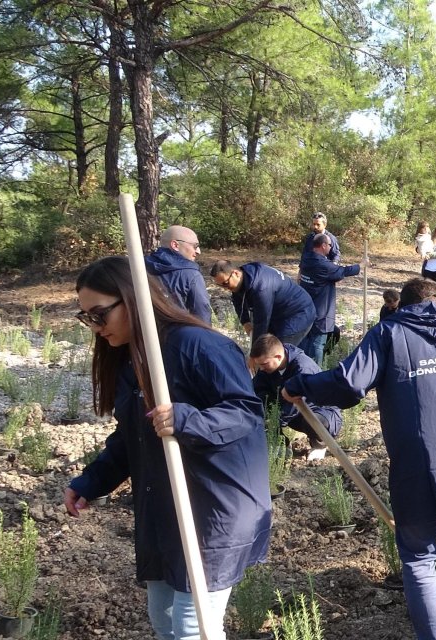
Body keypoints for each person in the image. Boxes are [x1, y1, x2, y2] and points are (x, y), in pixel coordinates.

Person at [282, 277, 436, 640]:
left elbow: (348, 384)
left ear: (402, 305)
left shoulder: (388, 333)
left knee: (419, 559)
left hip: (418, 461)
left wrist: (301, 385)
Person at [64, 256, 271, 640]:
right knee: (163, 620)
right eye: (86, 318)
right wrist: (90, 481)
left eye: (99, 315)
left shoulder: (199, 346)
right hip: (165, 509)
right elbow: (132, 437)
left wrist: (187, 419)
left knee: (193, 628)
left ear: (132, 298)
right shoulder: (129, 358)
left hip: (214, 508)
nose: (94, 328)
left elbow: (244, 413)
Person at [249, 334, 341, 460]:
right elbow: (257, 389)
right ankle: (279, 445)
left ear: (278, 357)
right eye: (259, 365)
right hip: (291, 411)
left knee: (313, 421)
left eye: (264, 364)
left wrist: (274, 422)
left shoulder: (302, 367)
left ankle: (320, 445)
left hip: (320, 412)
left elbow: (296, 403)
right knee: (260, 407)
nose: (261, 368)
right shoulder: (268, 367)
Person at [209, 260, 315, 347]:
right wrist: (245, 322)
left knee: (278, 352)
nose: (225, 288)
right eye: (220, 286)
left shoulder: (261, 287)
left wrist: (254, 355)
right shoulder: (242, 277)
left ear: (235, 273)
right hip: (278, 312)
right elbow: (237, 299)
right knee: (266, 348)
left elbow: (261, 322)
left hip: (298, 313)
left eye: (225, 283)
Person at [298, 233, 364, 365]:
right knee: (318, 344)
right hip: (320, 312)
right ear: (323, 246)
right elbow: (342, 271)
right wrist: (361, 265)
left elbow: (335, 274)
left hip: (305, 309)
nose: (331, 247)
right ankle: (314, 371)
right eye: (329, 245)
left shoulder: (307, 259)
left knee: (306, 341)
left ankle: (301, 367)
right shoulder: (322, 264)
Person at [145, 225, 210, 324]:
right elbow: (202, 313)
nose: (198, 251)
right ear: (175, 245)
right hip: (178, 335)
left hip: (143, 335)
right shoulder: (191, 274)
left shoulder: (140, 268)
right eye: (195, 246)